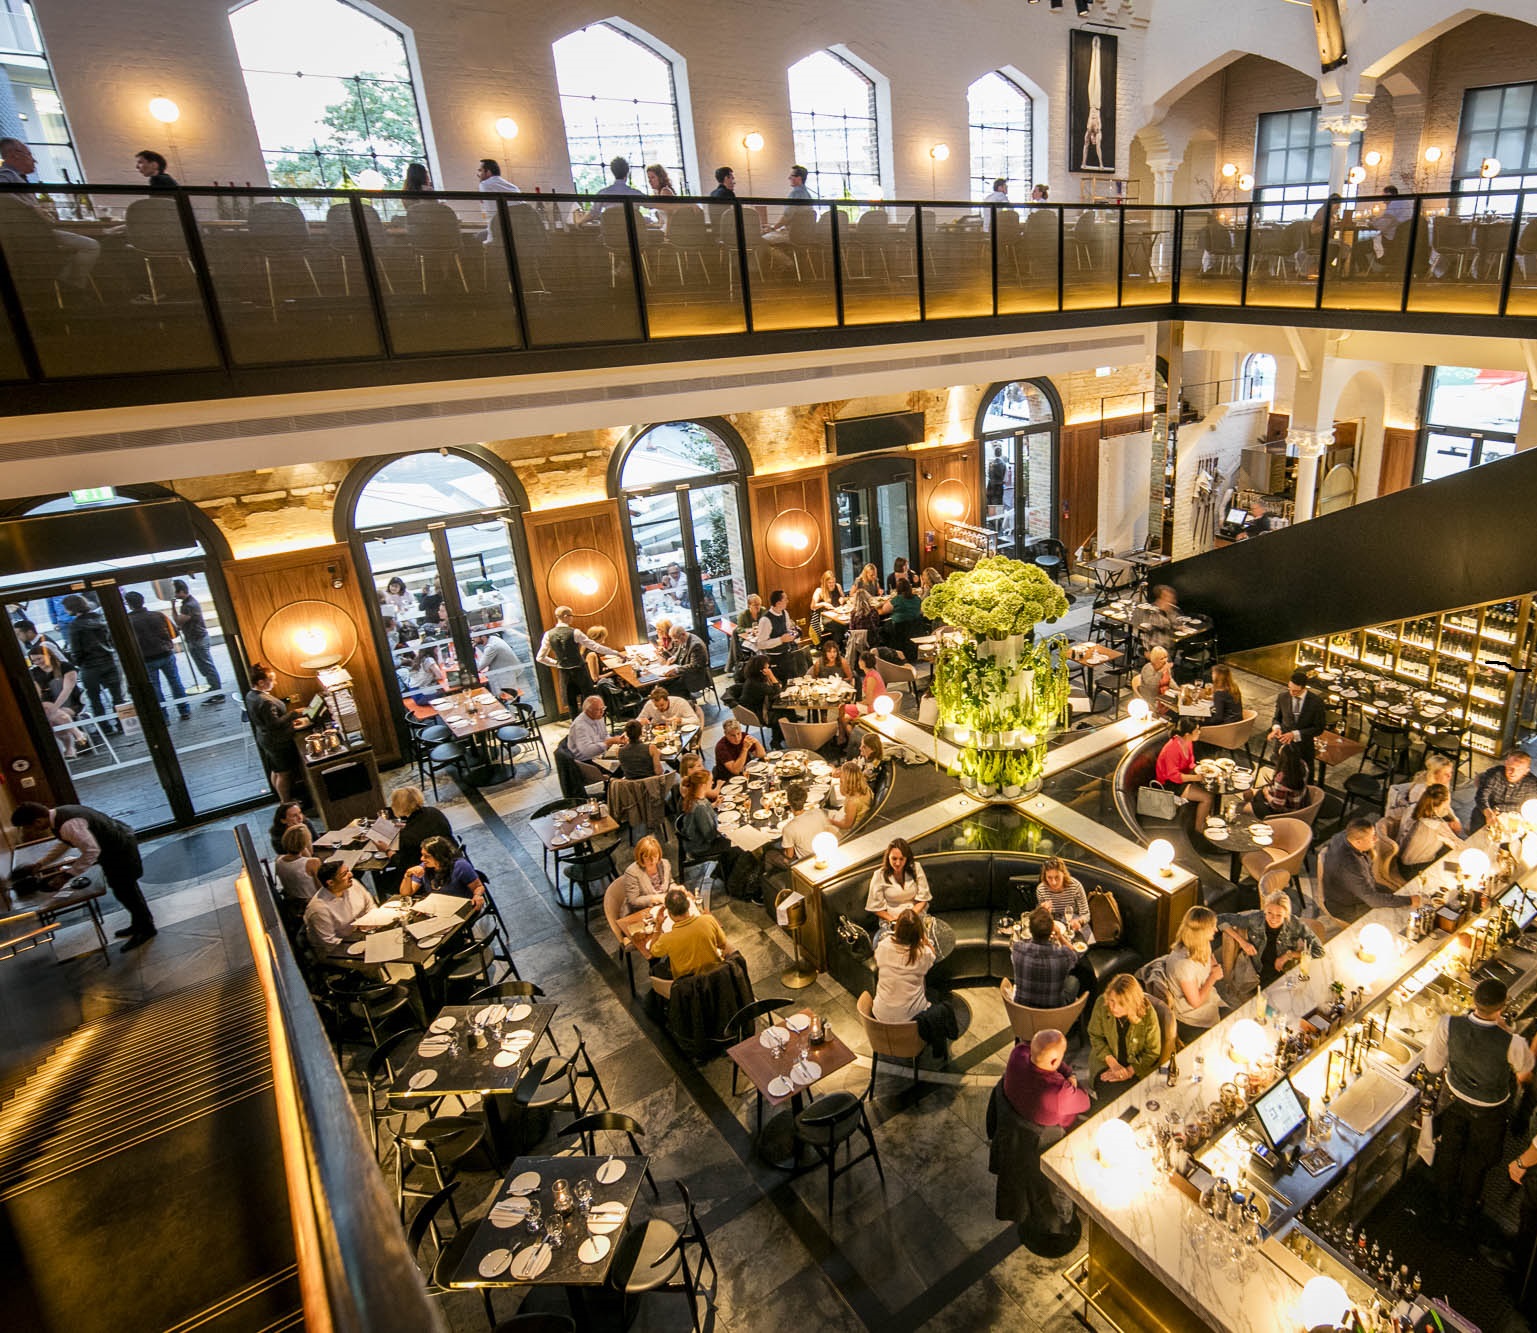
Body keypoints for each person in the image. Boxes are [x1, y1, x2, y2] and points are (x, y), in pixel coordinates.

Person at [1425, 977, 1534, 1228]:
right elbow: (1525, 1071)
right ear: (1502, 1006)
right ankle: (1465, 1212)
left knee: (1449, 1154)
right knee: (1478, 1162)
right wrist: (1505, 1031)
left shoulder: (1448, 1024)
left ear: (1474, 1000)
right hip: (1491, 1111)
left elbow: (1433, 1065)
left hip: (1454, 1102)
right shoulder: (1512, 1042)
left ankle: (1443, 1208)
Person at [12, 800, 157, 949]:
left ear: (37, 821)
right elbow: (65, 843)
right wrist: (40, 864)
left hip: (120, 850)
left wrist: (67, 876)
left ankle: (147, 929)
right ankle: (140, 923)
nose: (31, 831)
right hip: (116, 846)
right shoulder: (60, 815)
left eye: (28, 827)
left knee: (127, 892)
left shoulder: (68, 824)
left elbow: (92, 852)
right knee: (125, 892)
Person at [0, 137, 99, 288]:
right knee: (91, 246)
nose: (34, 160)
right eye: (29, 155)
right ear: (14, 155)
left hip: (35, 234)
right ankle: (70, 284)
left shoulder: (18, 178)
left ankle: (65, 280)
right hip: (33, 236)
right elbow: (3, 196)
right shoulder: (6, 175)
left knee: (88, 243)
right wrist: (32, 208)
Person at [1218, 889, 1324, 991]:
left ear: (1286, 915)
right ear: (1264, 911)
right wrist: (1242, 942)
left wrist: (1289, 955)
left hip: (1285, 968)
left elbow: (1319, 951)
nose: (1273, 919)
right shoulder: (1255, 919)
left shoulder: (1295, 924)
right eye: (1269, 913)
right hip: (1259, 968)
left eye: (1279, 915)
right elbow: (1220, 919)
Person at [536, 605, 621, 716]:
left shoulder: (548, 635)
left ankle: (576, 728)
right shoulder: (575, 632)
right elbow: (595, 646)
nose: (572, 618)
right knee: (589, 701)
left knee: (572, 704)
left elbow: (540, 658)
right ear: (565, 616)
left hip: (564, 673)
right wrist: (616, 653)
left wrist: (558, 664)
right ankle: (593, 727)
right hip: (580, 671)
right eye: (572, 615)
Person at [1086, 974, 1164, 1092]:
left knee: (1132, 1095)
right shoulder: (1102, 1003)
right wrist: (1113, 1064)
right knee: (1107, 1091)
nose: (1114, 1007)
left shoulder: (1148, 1015)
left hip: (1137, 1066)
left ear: (1133, 1003)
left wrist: (1130, 1071)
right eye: (1112, 1000)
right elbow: (1095, 1036)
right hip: (1105, 1061)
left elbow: (1152, 1052)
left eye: (1121, 1004)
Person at [122, 589, 190, 720]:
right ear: (143, 601)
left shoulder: (128, 621)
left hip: (146, 659)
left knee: (155, 688)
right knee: (175, 681)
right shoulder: (158, 615)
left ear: (128, 604)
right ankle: (184, 710)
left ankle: (163, 716)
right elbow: (174, 633)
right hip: (165, 653)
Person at [1003, 1028, 1090, 1130]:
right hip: (1048, 1128)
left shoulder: (1018, 1051)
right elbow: (1086, 1103)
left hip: (1015, 1108)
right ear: (1054, 1061)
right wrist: (1072, 1081)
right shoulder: (1060, 1093)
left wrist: (1067, 1073)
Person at [60, 593, 124, 732]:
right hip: (109, 661)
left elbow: (76, 650)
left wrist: (78, 662)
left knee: (95, 699)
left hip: (90, 666)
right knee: (117, 697)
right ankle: (122, 724)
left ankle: (105, 728)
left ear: (71, 608)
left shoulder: (75, 626)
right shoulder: (99, 619)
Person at [1321, 818, 1406, 920]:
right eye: (1372, 837)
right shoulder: (1351, 865)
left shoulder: (1343, 836)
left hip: (1358, 890)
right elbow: (1372, 899)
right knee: (1390, 915)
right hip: (1347, 907)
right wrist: (1411, 900)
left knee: (1394, 895)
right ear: (1358, 842)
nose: (1376, 839)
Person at [247, 663, 303, 801]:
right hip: (277, 741)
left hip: (265, 738)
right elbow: (274, 724)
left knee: (276, 770)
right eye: (271, 680)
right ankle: (286, 802)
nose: (275, 683)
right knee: (284, 772)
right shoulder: (265, 701)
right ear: (261, 682)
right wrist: (294, 714)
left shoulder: (251, 695)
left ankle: (281, 799)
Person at [1167, 906, 1223, 1044]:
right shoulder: (1184, 965)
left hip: (1210, 1001)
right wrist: (1213, 978)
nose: (1216, 930)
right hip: (1193, 1019)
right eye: (1212, 927)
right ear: (1201, 932)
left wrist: (1214, 966)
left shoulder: (1201, 943)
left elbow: (1210, 956)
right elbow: (1196, 1002)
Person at [648, 887, 729, 980]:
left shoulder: (666, 939)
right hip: (717, 977)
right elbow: (723, 944)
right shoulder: (709, 920)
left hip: (688, 986)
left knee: (656, 969)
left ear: (669, 913)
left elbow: (652, 952)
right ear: (688, 905)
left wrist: (658, 926)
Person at [680, 767, 742, 885]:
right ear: (703, 785)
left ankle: (724, 870)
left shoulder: (697, 799)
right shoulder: (699, 807)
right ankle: (731, 878)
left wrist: (714, 805)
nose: (713, 783)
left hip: (700, 839)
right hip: (701, 846)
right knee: (738, 846)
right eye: (710, 781)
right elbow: (710, 835)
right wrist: (727, 829)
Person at [378, 786, 453, 884]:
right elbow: (421, 826)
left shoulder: (407, 835)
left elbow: (402, 863)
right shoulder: (433, 811)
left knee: (381, 880)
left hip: (430, 872)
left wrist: (387, 850)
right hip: (450, 858)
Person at [1010, 906, 1080, 1008]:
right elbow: (1075, 955)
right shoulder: (1063, 955)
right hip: (1053, 1011)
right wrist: (1060, 936)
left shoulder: (1017, 949)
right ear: (1052, 929)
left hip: (1023, 1010)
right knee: (1073, 981)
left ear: (1030, 929)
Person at [303, 860, 376, 954]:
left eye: (348, 871)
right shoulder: (318, 909)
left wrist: (370, 921)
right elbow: (330, 942)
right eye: (344, 874)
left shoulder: (353, 884)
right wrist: (362, 946)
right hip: (336, 948)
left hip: (359, 934)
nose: (351, 875)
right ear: (331, 883)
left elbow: (370, 904)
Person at [1268, 669, 1327, 779]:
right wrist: (1276, 728)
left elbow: (1318, 728)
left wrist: (1295, 734)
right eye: (1289, 688)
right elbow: (1277, 718)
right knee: (1280, 780)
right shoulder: (1283, 697)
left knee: (1303, 780)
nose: (1291, 693)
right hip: (1282, 747)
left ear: (1304, 688)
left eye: (1295, 691)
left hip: (1303, 748)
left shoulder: (1316, 702)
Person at [170, 579, 222, 700]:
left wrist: (172, 606)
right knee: (205, 666)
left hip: (197, 639)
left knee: (207, 666)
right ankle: (214, 688)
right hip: (197, 638)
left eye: (176, 593)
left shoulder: (188, 605)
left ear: (182, 591)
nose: (174, 596)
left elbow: (178, 620)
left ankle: (217, 692)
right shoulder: (189, 603)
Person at [1397, 783, 1464, 878]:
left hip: (1402, 863)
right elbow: (1458, 845)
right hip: (1415, 869)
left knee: (1449, 854)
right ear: (1444, 802)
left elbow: (1447, 811)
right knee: (1457, 868)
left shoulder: (1419, 807)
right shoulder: (1437, 825)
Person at [1156, 717, 1214, 825]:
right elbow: (1173, 775)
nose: (1199, 732)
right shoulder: (1172, 748)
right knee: (1207, 797)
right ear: (1188, 734)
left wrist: (1201, 769)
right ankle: (1199, 830)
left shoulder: (1187, 741)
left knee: (1211, 786)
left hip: (1184, 776)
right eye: (1197, 730)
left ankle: (1206, 818)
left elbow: (1191, 762)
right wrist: (1196, 778)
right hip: (1170, 783)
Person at [403, 834, 486, 908]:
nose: (422, 859)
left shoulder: (460, 866)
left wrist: (477, 895)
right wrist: (408, 875)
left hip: (459, 906)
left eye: (426, 856)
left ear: (439, 856)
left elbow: (478, 887)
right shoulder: (424, 868)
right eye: (422, 855)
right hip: (438, 907)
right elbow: (406, 893)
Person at [865, 836, 930, 922]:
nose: (898, 863)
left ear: (907, 859)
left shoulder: (916, 868)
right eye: (894, 859)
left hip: (915, 915)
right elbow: (876, 908)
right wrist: (894, 920)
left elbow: (923, 899)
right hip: (891, 918)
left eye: (901, 859)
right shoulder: (879, 875)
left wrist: (909, 916)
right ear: (888, 857)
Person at [1475, 750, 1537, 829]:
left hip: (1514, 817)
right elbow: (1481, 796)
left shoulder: (1532, 784)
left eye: (1519, 770)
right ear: (1506, 763)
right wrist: (1488, 813)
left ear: (1526, 771)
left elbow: (1526, 807)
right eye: (1511, 767)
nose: (1513, 772)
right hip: (1486, 811)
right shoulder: (1494, 774)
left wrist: (1498, 808)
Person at [1248, 742, 1310, 819]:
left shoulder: (1282, 779)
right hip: (1298, 806)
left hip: (1281, 812)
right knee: (1252, 792)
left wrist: (1266, 794)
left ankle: (1251, 816)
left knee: (1243, 802)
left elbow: (1277, 806)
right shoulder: (1303, 765)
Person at [838, 648, 885, 747]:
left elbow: (869, 700)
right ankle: (849, 740)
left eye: (860, 660)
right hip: (874, 705)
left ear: (863, 663)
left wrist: (857, 704)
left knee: (842, 709)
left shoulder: (871, 677)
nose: (858, 662)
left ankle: (849, 741)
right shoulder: (872, 673)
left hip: (874, 708)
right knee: (845, 716)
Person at [739, 655, 789, 747]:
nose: (769, 668)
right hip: (756, 712)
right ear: (761, 670)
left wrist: (772, 679)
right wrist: (771, 675)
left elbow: (778, 685)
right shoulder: (755, 684)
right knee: (783, 713)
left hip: (761, 705)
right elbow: (777, 690)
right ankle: (776, 741)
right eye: (767, 667)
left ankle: (783, 736)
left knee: (787, 709)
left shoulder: (758, 679)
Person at [1035, 857, 1089, 936]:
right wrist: (1043, 912)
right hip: (1054, 922)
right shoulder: (1041, 889)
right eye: (1049, 878)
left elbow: (1086, 914)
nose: (1053, 882)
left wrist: (1079, 921)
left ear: (1064, 874)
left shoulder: (1075, 886)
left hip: (1074, 919)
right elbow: (1042, 916)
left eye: (1057, 877)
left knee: (1086, 944)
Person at [780, 782, 835, 859]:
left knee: (770, 854)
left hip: (807, 861)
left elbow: (789, 855)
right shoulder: (818, 812)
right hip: (826, 853)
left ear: (788, 803)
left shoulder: (788, 828)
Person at [567, 694, 622, 765]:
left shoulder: (598, 717)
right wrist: (607, 743)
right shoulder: (580, 726)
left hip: (599, 755)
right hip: (586, 761)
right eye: (599, 710)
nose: (602, 712)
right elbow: (587, 751)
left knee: (625, 756)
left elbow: (604, 736)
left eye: (603, 708)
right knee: (622, 765)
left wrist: (615, 741)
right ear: (588, 711)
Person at [275, 826, 322, 903]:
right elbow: (323, 890)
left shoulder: (278, 860)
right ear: (305, 843)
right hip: (312, 902)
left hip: (293, 902)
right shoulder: (313, 863)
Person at [885, 575, 926, 663]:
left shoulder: (897, 600)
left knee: (884, 627)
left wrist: (888, 600)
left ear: (898, 589)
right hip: (915, 629)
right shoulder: (916, 598)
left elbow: (884, 609)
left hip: (899, 630)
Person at [713, 716, 764, 780]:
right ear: (726, 734)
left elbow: (762, 755)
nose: (737, 738)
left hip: (746, 771)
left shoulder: (744, 736)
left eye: (738, 733)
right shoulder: (721, 747)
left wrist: (756, 741)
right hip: (729, 778)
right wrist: (744, 749)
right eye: (733, 735)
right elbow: (736, 771)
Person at [827, 761, 871, 833]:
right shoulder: (863, 785)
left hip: (852, 830)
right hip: (853, 817)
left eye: (842, 776)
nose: (840, 776)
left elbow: (847, 825)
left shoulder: (852, 802)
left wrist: (830, 821)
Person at [754, 588, 800, 656]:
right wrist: (780, 640)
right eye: (785, 599)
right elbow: (760, 644)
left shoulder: (784, 612)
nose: (788, 601)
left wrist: (793, 634)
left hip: (788, 651)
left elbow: (788, 629)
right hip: (774, 656)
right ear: (778, 603)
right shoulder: (765, 620)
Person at [475, 631, 522, 696]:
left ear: (483, 637)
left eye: (475, 637)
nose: (473, 639)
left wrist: (472, 651)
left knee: (484, 684)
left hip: (507, 676)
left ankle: (499, 700)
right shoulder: (493, 638)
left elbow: (479, 667)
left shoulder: (491, 647)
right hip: (509, 670)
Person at [1137, 584, 1179, 657]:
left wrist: (1179, 627)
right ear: (1162, 597)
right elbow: (1162, 625)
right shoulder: (1153, 610)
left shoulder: (1171, 609)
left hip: (1167, 644)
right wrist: (1165, 610)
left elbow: (1175, 622)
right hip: (1153, 645)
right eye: (1169, 597)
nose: (1172, 600)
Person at [1136, 645, 1172, 716]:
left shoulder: (1165, 666)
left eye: (1166, 657)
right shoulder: (1148, 668)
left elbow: (1169, 680)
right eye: (1162, 658)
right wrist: (1160, 672)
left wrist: (1178, 689)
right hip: (1151, 698)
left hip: (1164, 695)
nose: (1165, 660)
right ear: (1155, 659)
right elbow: (1152, 686)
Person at [809, 571, 844, 639]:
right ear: (825, 583)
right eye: (830, 583)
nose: (832, 584)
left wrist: (842, 599)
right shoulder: (819, 591)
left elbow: (843, 597)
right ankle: (838, 645)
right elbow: (812, 606)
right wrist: (823, 604)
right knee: (838, 627)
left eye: (833, 582)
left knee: (847, 624)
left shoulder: (838, 586)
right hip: (827, 617)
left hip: (838, 614)